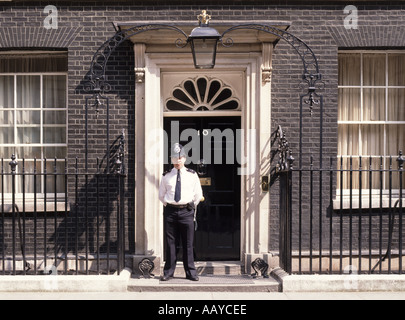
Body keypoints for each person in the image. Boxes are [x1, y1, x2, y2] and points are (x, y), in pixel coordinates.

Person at [159, 143, 203, 281]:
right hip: (171, 212)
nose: (177, 161)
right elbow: (161, 195)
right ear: (171, 159)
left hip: (186, 212)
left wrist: (190, 207)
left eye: (180, 158)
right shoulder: (166, 176)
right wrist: (170, 206)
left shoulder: (192, 175)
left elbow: (198, 194)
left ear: (184, 158)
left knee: (188, 243)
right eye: (174, 158)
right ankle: (168, 272)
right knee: (170, 243)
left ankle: (190, 272)